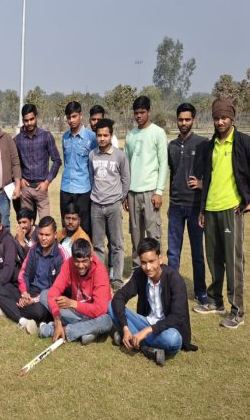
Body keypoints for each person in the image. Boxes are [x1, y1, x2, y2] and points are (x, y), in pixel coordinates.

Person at [196, 98, 250, 328]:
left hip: (232, 210)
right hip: (211, 209)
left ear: (232, 118)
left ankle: (237, 311)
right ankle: (215, 301)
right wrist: (203, 209)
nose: (220, 122)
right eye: (216, 118)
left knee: (233, 261)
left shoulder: (244, 142)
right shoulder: (210, 145)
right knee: (213, 259)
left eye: (224, 118)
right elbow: (208, 179)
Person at [109, 238, 197, 367]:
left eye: (151, 261)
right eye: (144, 263)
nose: (148, 267)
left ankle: (139, 342)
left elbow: (177, 317)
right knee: (110, 306)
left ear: (160, 259)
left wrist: (146, 331)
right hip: (145, 322)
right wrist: (125, 328)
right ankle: (143, 345)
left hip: (167, 329)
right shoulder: (140, 274)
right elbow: (119, 297)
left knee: (173, 339)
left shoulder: (174, 279)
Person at [167, 103, 209, 307]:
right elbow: (173, 174)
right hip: (176, 206)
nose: (183, 123)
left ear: (194, 120)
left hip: (194, 206)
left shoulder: (202, 144)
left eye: (187, 119)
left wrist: (202, 184)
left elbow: (211, 172)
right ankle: (173, 291)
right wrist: (170, 202)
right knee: (173, 252)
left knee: (197, 252)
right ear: (176, 120)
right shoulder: (172, 146)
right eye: (180, 119)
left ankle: (201, 292)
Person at [0, 216, 66, 332]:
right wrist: (24, 293)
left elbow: (57, 288)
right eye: (41, 234)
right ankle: (22, 320)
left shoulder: (61, 255)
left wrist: (34, 300)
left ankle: (8, 310)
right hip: (29, 291)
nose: (43, 238)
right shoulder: (34, 248)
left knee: (39, 313)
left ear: (55, 235)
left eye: (47, 235)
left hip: (45, 297)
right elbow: (24, 274)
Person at [39, 238, 112, 344]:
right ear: (72, 258)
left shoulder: (100, 272)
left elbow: (100, 309)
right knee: (44, 294)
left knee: (106, 321)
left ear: (91, 258)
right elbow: (54, 290)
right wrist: (58, 321)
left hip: (94, 315)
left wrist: (72, 304)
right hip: (75, 314)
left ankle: (59, 330)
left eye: (84, 261)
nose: (80, 266)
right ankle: (85, 331)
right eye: (77, 261)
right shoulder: (69, 264)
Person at [124, 95, 168, 270]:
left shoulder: (158, 133)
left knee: (153, 234)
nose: (139, 116)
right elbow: (126, 166)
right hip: (132, 192)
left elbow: (163, 163)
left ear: (149, 111)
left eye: (142, 112)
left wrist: (159, 191)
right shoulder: (130, 135)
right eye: (136, 113)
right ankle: (137, 270)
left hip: (150, 192)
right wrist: (125, 193)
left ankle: (157, 270)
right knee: (135, 234)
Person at [89, 118, 129, 291]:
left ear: (111, 135)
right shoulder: (92, 155)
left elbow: (126, 179)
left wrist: (120, 198)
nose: (102, 139)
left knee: (116, 244)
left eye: (105, 135)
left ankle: (117, 279)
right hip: (96, 206)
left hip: (113, 205)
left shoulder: (120, 155)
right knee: (98, 245)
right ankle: (100, 278)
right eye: (99, 135)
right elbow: (92, 177)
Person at [14, 104, 61, 220]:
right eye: (26, 120)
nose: (29, 123)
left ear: (36, 118)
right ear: (23, 120)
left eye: (32, 119)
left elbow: (57, 160)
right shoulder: (17, 140)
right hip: (26, 189)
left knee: (46, 224)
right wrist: (20, 179)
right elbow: (14, 163)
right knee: (27, 225)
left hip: (41, 188)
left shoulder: (46, 137)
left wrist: (47, 182)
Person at [60, 101, 97, 238]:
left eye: (74, 116)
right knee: (66, 227)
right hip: (66, 188)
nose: (71, 120)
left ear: (81, 115)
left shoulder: (91, 137)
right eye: (69, 117)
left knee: (84, 227)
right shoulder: (65, 137)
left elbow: (94, 163)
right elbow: (66, 160)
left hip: (83, 189)